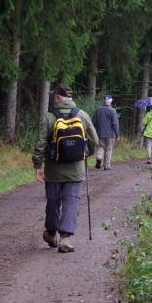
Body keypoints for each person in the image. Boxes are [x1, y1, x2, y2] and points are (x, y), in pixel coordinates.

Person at [32, 84, 99, 253]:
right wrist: (85, 154)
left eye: (54, 96)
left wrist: (38, 165)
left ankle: (51, 233)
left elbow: (40, 143)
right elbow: (95, 141)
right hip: (76, 169)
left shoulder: (48, 117)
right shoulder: (82, 115)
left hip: (53, 169)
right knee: (71, 201)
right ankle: (66, 239)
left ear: (58, 98)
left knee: (53, 202)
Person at [92, 94, 120, 170]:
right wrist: (117, 134)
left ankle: (99, 157)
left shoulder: (98, 109)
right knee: (108, 149)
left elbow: (93, 122)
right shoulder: (113, 111)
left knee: (101, 147)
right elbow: (115, 124)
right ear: (111, 101)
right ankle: (106, 166)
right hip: (110, 134)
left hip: (100, 133)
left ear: (104, 101)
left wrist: (93, 132)